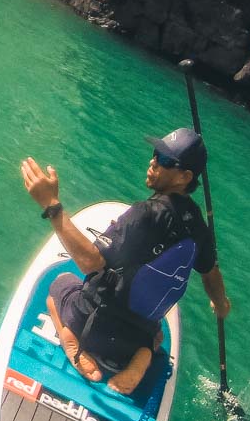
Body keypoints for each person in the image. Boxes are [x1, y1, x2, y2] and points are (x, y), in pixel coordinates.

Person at [22, 128, 231, 395]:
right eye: (156, 154)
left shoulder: (145, 214)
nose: (153, 162)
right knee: (157, 336)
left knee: (59, 286)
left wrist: (51, 204)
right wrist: (221, 303)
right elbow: (210, 273)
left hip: (94, 328)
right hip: (135, 340)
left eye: (166, 161)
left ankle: (71, 342)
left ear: (185, 177)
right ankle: (142, 357)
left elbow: (89, 261)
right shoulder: (199, 227)